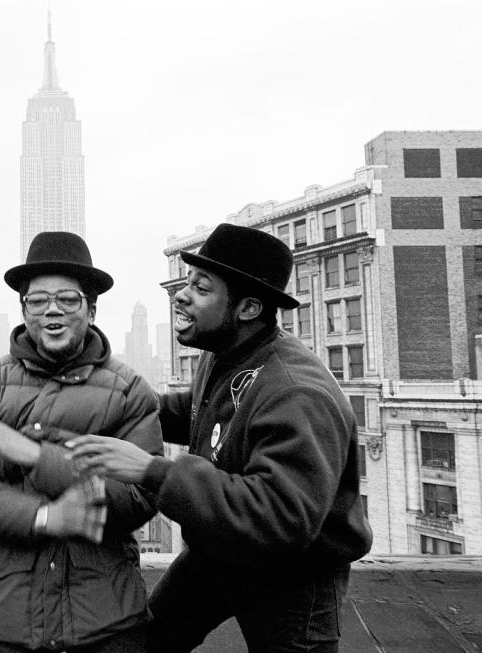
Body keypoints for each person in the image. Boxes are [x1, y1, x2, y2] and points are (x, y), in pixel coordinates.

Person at [68, 223, 373, 652]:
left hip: (291, 578)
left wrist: (152, 471)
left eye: (201, 288)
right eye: (186, 283)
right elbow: (195, 413)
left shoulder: (296, 391)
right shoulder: (227, 354)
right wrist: (115, 405)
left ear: (248, 308)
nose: (182, 295)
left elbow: (282, 515)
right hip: (220, 553)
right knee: (142, 642)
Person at [0, 231, 164, 653]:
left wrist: (38, 458)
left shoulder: (130, 390)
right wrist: (45, 518)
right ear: (23, 309)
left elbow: (140, 493)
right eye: (38, 300)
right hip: (10, 622)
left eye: (68, 299)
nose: (52, 311)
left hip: (108, 621)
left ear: (91, 309)